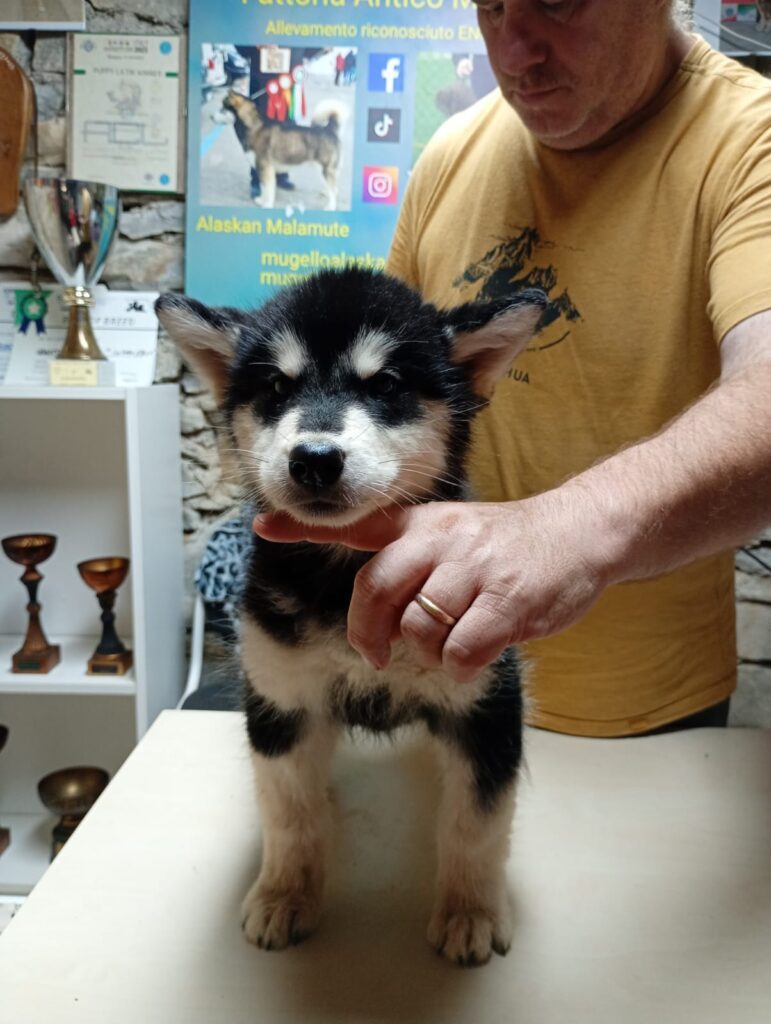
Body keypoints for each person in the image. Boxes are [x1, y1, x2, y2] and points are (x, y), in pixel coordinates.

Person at [253, 0, 771, 738]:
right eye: (491, 7)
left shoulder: (750, 143)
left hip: (634, 705)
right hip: (429, 682)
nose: (515, 50)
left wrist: (562, 530)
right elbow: (391, 404)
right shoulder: (453, 151)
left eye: (556, 3)